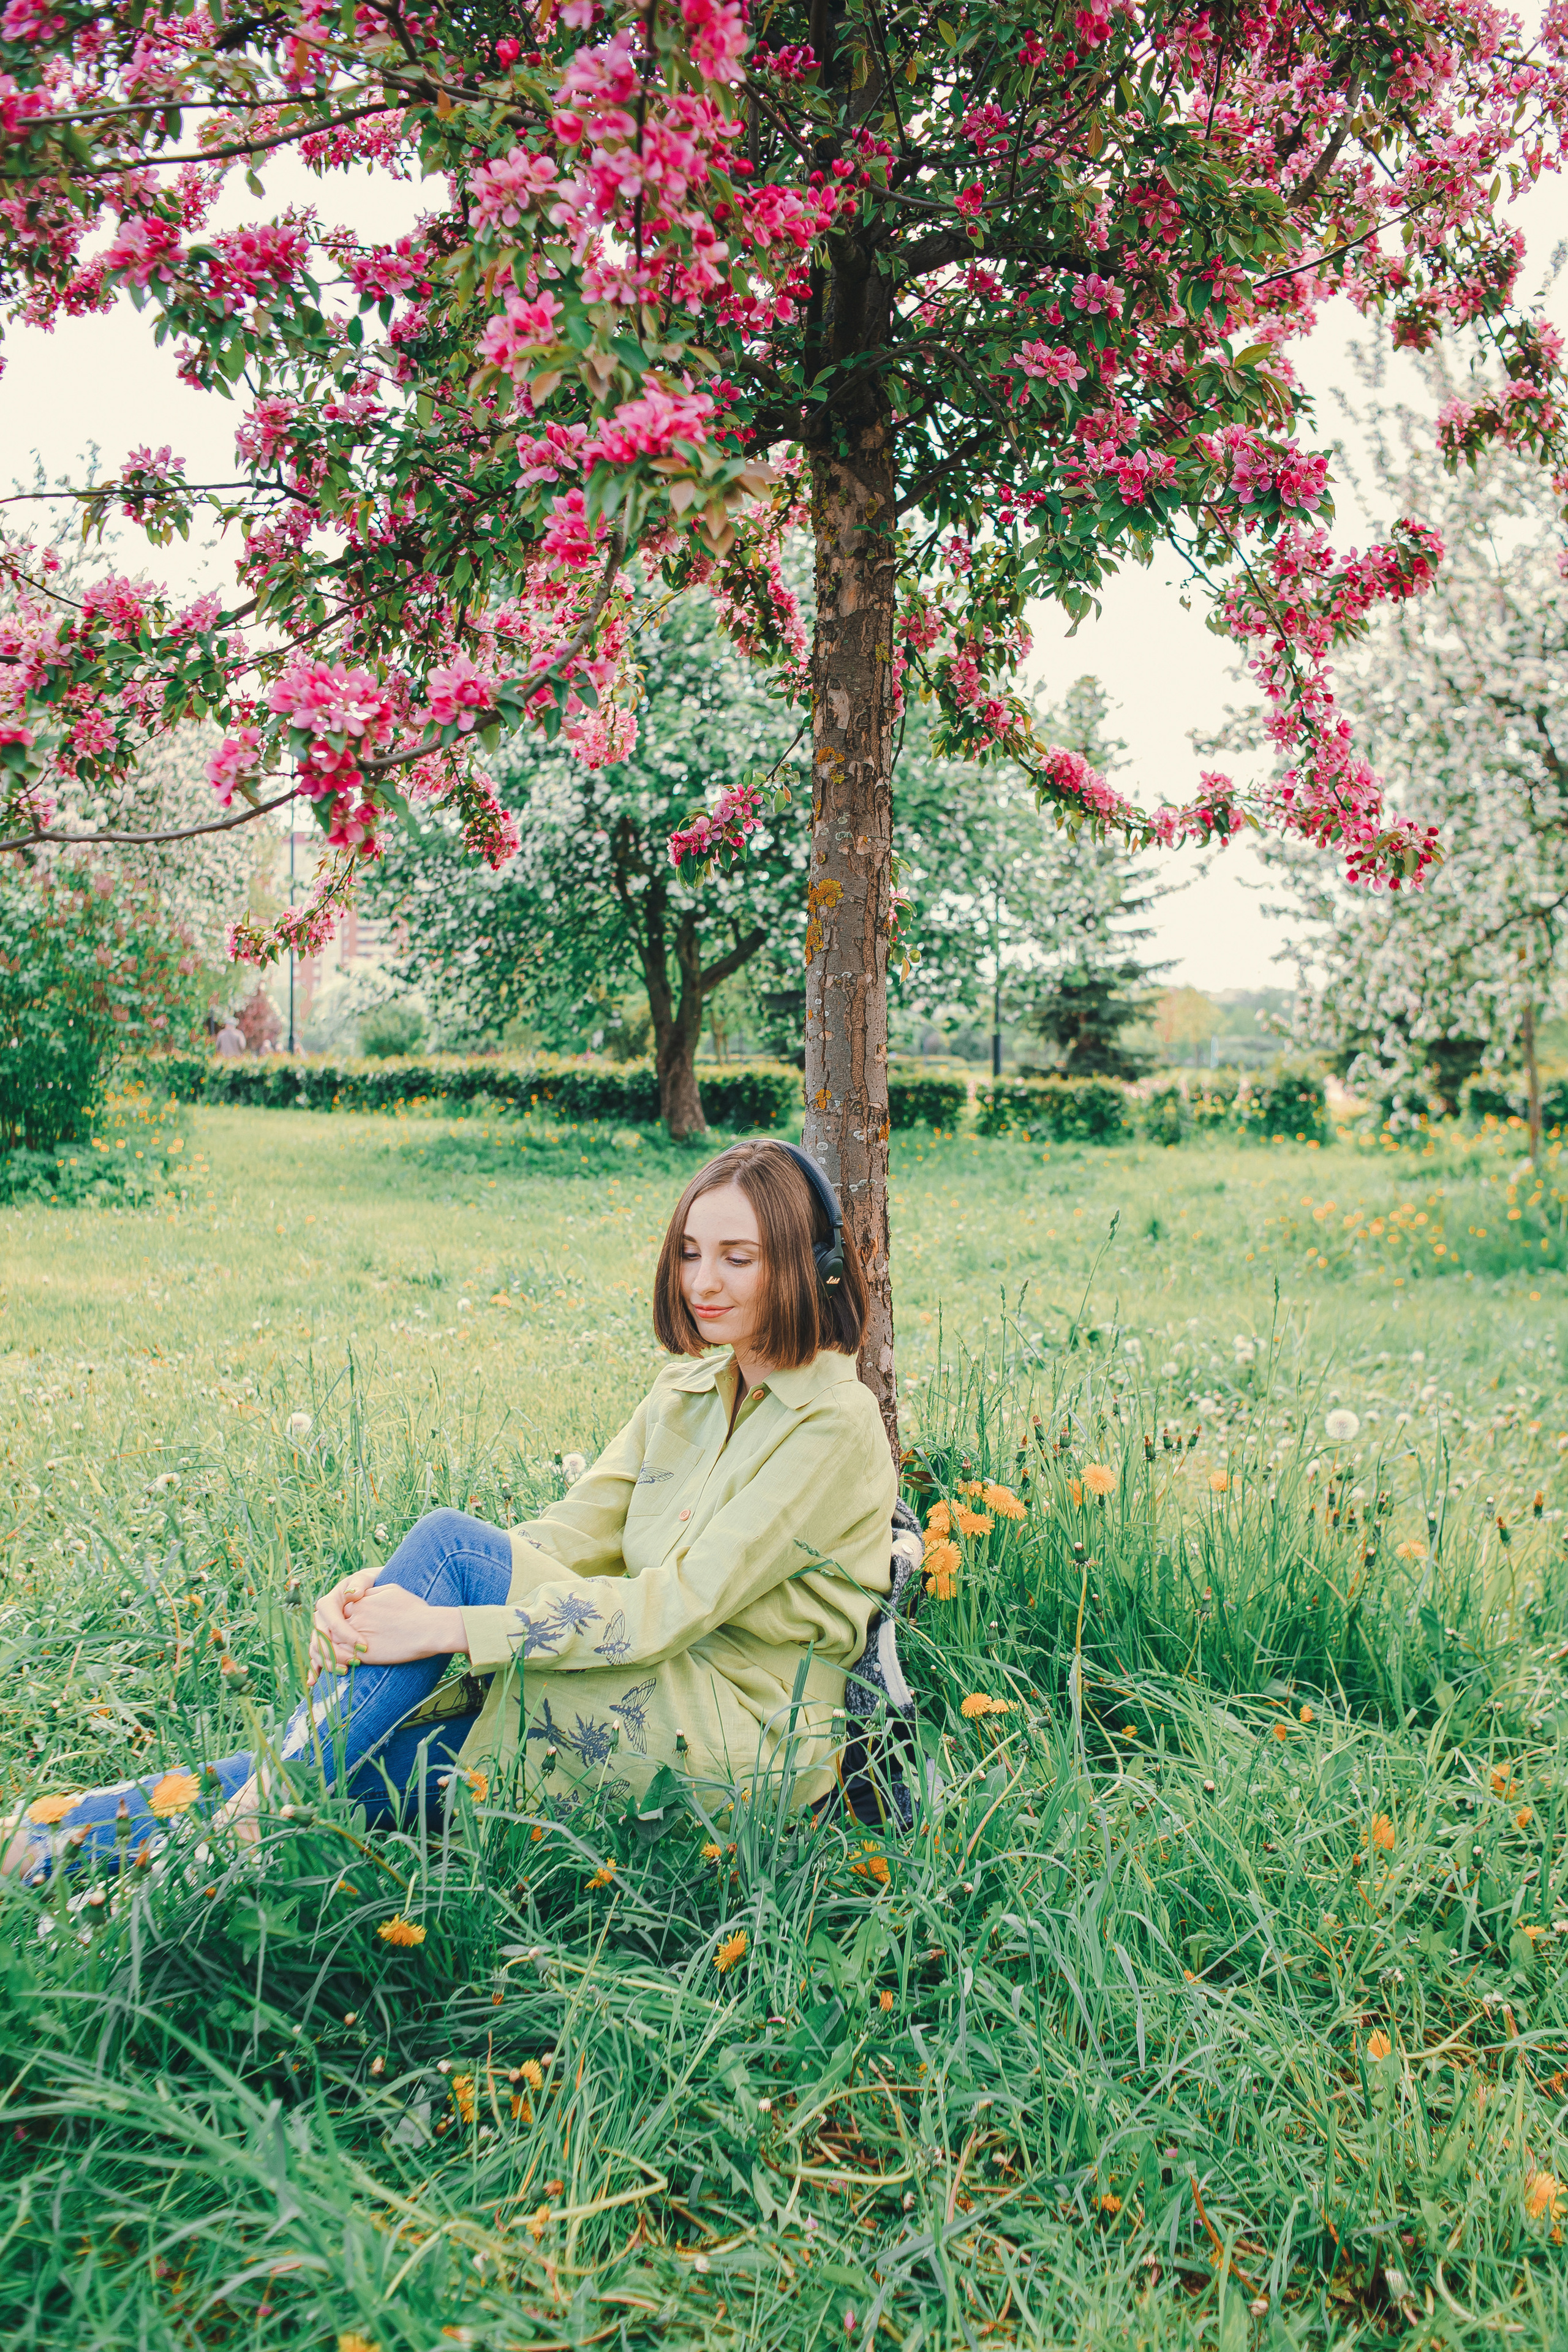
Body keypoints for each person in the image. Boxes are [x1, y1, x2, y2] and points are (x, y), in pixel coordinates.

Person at [5, 1140, 898, 1879]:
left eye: (737, 1258)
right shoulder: (689, 1391)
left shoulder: (835, 1425)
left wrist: (449, 1627)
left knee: (418, 1609)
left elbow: (670, 1608)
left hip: (736, 1741)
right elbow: (565, 1536)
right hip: (635, 1690)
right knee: (370, 1762)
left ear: (807, 1269)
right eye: (692, 1252)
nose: (705, 1280)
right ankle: (49, 1838)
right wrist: (395, 1594)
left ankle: (209, 1840)